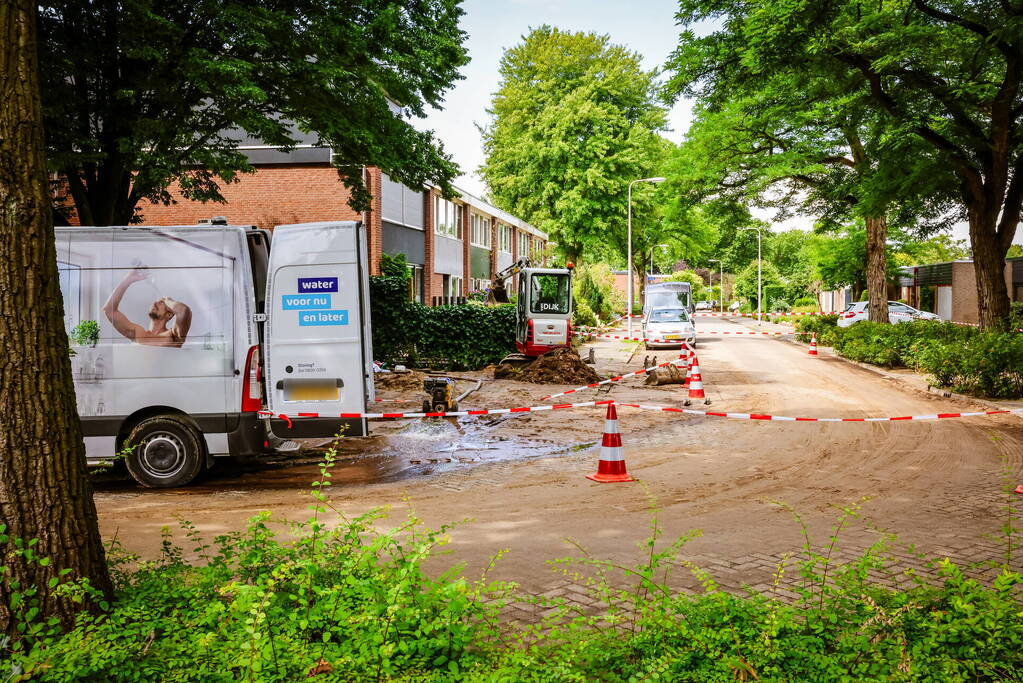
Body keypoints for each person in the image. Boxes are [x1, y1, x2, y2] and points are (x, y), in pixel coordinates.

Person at [103, 268, 192, 347]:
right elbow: (109, 310)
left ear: (169, 314)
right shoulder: (139, 333)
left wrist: (167, 300)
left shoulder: (173, 336)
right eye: (158, 301)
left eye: (161, 302)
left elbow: (184, 311)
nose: (155, 302)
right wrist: (128, 279)